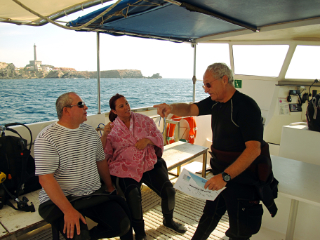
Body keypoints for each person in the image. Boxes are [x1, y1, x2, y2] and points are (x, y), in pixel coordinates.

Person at [153, 63, 278, 240]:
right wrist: (171, 108)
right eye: (204, 85)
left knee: (239, 233)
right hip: (220, 175)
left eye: (208, 85)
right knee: (207, 219)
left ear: (224, 80)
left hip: (241, 179)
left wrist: (225, 177)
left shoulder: (246, 107)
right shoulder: (215, 103)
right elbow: (190, 109)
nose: (205, 90)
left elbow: (254, 150)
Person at [34, 92, 133, 240]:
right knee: (80, 236)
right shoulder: (47, 137)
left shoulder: (90, 132)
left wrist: (110, 187)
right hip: (64, 199)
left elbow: (101, 161)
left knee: (123, 224)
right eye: (80, 104)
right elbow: (45, 178)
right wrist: (68, 210)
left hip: (92, 193)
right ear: (66, 110)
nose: (86, 107)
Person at [101, 94, 187, 240]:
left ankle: (168, 220)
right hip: (125, 167)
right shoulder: (112, 129)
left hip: (148, 162)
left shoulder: (144, 120)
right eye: (121, 106)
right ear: (114, 111)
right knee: (133, 196)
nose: (126, 107)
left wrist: (148, 140)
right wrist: (104, 135)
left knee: (169, 190)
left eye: (127, 103)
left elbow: (159, 137)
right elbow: (105, 152)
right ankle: (140, 234)